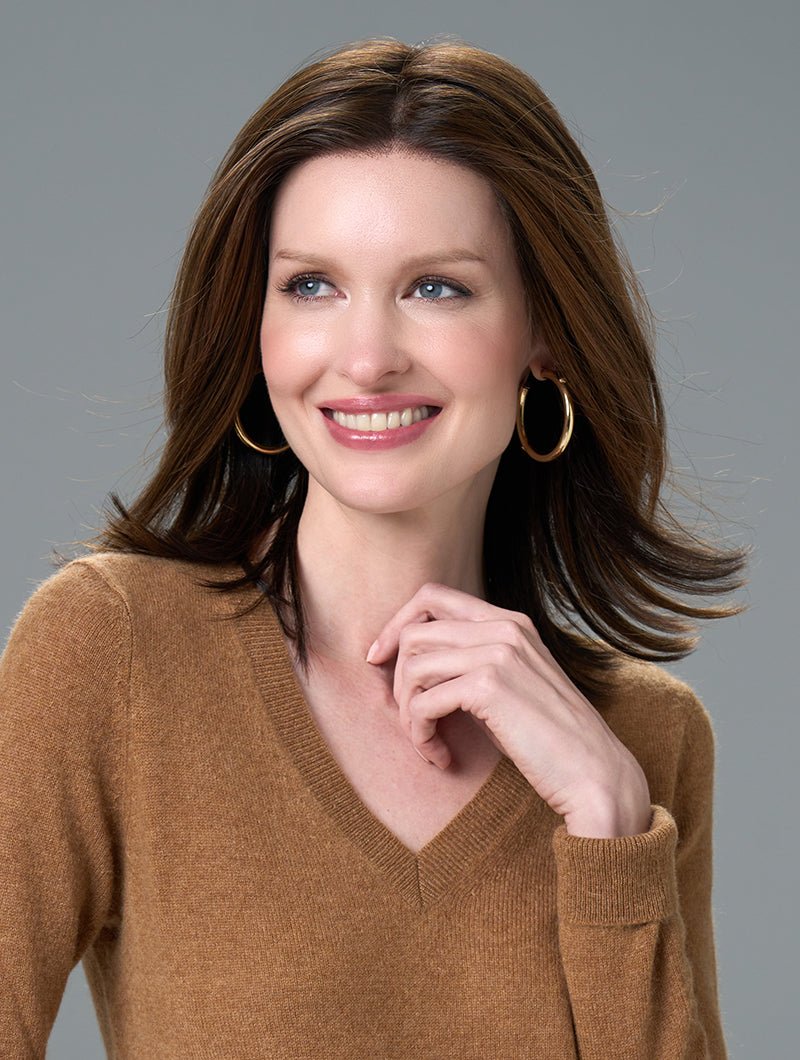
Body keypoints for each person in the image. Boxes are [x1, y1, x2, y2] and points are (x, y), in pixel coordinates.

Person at [0, 35, 747, 1059]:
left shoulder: (646, 741)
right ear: (256, 326)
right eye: (312, 285)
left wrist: (610, 830)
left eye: (435, 287)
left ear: (544, 332)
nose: (365, 358)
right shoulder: (114, 648)